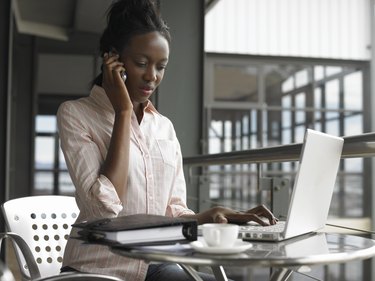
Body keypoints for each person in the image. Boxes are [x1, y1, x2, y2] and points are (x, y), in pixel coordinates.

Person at [57, 0, 277, 280]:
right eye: (141, 63)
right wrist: (123, 112)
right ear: (112, 59)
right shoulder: (76, 114)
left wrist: (212, 215)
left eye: (161, 66)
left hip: (155, 265)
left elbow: (173, 215)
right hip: (95, 269)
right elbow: (103, 210)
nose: (152, 76)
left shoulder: (164, 128)